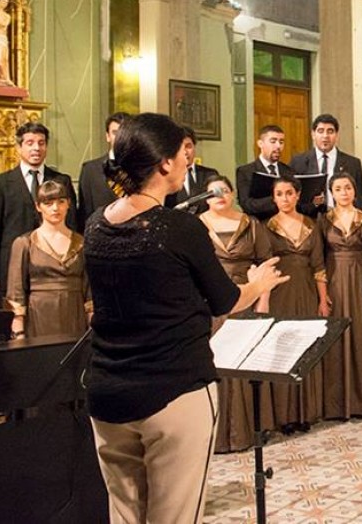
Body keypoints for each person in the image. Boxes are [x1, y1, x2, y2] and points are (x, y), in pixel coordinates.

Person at [82, 112, 284, 523]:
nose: (189, 159)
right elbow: (224, 300)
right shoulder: (178, 228)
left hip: (107, 393)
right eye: (183, 152)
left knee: (124, 515)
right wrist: (258, 285)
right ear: (164, 164)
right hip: (173, 391)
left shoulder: (96, 225)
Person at [199, 174, 275, 453]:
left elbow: (267, 263)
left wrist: (262, 299)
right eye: (213, 192)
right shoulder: (195, 226)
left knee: (246, 361)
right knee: (215, 362)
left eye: (225, 190)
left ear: (232, 194)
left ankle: (248, 430)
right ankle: (217, 434)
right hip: (210, 303)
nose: (220, 195)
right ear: (205, 198)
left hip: (245, 297)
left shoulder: (251, 224)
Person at [0, 122, 76, 303]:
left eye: (41, 143)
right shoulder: (0, 183)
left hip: (53, 266)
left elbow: (72, 224)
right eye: (30, 143)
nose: (36, 148)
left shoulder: (61, 181)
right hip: (12, 264)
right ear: (19, 147)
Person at [317, 172, 362, 418]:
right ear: (331, 193)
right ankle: (334, 406)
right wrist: (322, 295)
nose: (344, 193)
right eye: (338, 188)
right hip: (333, 280)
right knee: (334, 338)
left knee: (361, 336)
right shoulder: (324, 220)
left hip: (358, 280)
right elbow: (318, 259)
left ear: (355, 191)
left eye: (348, 188)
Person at [266, 175, 326, 432]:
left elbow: (320, 265)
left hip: (307, 290)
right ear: (274, 198)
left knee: (306, 348)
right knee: (284, 350)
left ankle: (306, 413)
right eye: (279, 194)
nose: (285, 198)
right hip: (280, 291)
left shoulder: (312, 224)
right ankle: (285, 415)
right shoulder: (266, 227)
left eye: (289, 193)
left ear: (298, 195)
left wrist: (323, 299)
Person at [6, 180, 89, 339]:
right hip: (39, 314)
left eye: (61, 202)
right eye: (48, 203)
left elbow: (89, 289)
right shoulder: (24, 243)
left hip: (74, 314)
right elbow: (16, 292)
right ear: (38, 206)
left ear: (68, 204)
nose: (55, 208)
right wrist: (19, 331)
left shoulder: (82, 243)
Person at [290, 114, 362, 215]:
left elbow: (361, 200)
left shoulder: (352, 163)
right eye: (320, 131)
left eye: (330, 131)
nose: (325, 136)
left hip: (342, 221)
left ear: (336, 135)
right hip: (309, 221)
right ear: (313, 134)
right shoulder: (298, 162)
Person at [77, 112, 128, 230]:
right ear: (108, 136)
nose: (120, 137)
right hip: (101, 240)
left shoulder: (144, 169)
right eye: (115, 133)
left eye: (124, 133)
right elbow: (85, 214)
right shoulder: (90, 170)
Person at [236, 124, 294, 221]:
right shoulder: (245, 171)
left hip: (287, 223)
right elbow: (247, 204)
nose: (278, 146)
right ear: (260, 143)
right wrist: (276, 199)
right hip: (259, 224)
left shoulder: (288, 171)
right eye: (273, 141)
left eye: (281, 142)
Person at [168, 125, 219, 214]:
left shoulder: (210, 174)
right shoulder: (167, 176)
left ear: (194, 147)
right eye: (180, 148)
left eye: (188, 146)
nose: (185, 152)